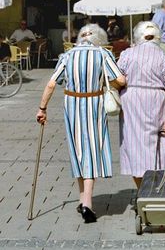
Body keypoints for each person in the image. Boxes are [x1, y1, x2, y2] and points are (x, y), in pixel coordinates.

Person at [36, 24, 126, 223]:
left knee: (78, 151)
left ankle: (81, 199)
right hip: (94, 103)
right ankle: (87, 205)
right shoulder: (103, 54)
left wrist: (42, 108)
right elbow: (120, 79)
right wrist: (108, 82)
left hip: (72, 104)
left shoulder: (67, 56)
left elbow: (52, 83)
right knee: (92, 151)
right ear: (100, 38)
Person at [117, 21, 165, 189]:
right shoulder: (163, 56)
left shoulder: (127, 54)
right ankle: (157, 187)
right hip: (157, 99)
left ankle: (142, 190)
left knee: (134, 144)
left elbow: (117, 78)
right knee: (160, 144)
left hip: (131, 99)